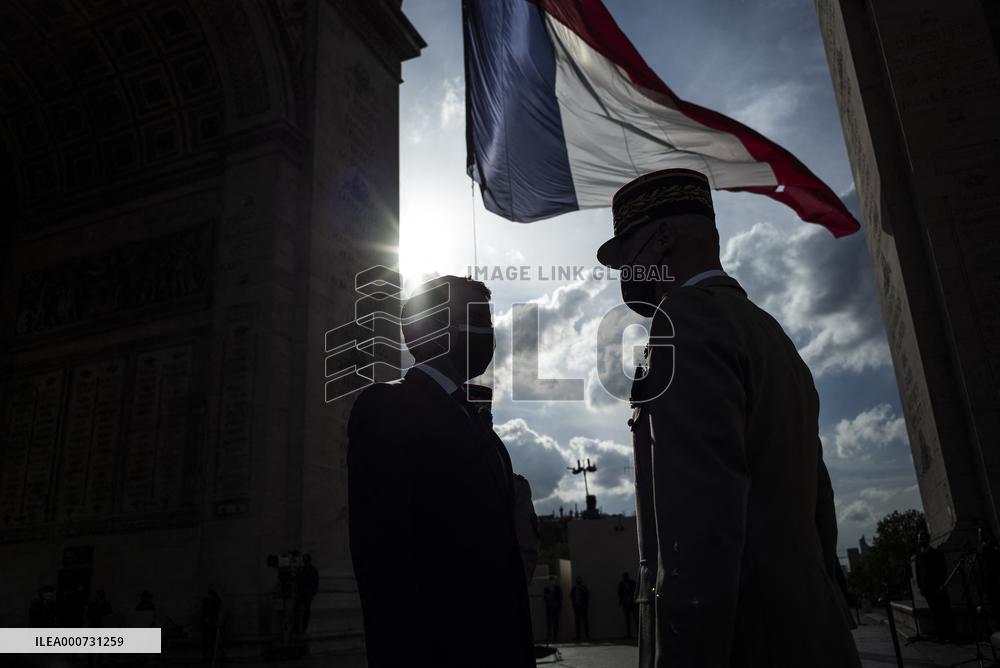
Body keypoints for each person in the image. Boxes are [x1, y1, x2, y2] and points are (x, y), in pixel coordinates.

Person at [596, 168, 861, 667]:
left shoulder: (685, 321)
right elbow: (819, 508)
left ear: (663, 237)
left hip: (743, 645)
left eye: (626, 253)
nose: (623, 272)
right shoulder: (769, 333)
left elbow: (698, 531)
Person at [348, 275, 533, 667]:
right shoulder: (388, 406)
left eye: (489, 321)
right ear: (430, 326)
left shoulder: (477, 422)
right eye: (477, 319)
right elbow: (383, 558)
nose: (488, 333)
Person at [915, 531, 955, 642]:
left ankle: (951, 635)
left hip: (938, 586)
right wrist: (920, 587)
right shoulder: (919, 555)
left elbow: (943, 570)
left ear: (928, 539)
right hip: (927, 588)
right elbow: (918, 573)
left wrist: (942, 584)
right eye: (919, 539)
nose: (921, 541)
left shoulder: (936, 553)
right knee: (934, 613)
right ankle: (940, 635)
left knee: (945, 611)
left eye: (922, 538)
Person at [294, 554, 319, 632]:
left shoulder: (312, 570)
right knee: (300, 610)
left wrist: (313, 593)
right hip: (302, 592)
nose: (305, 561)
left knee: (304, 611)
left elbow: (315, 582)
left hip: (306, 593)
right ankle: (300, 627)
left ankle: (302, 627)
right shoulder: (303, 569)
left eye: (305, 560)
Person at [201, 589, 222, 662]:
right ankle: (207, 655)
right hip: (208, 624)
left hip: (212, 623)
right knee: (206, 641)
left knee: (213, 641)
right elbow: (203, 611)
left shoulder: (215, 602)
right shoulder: (206, 602)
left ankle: (212, 655)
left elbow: (217, 611)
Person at [542, 576, 563, 643]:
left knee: (556, 622)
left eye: (553, 580)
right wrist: (549, 602)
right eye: (551, 580)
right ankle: (549, 637)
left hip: (556, 608)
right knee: (549, 623)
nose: (552, 582)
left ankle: (555, 637)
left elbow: (561, 597)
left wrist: (556, 603)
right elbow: (544, 597)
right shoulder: (546, 589)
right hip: (549, 607)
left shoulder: (558, 588)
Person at [618, 572, 637, 639]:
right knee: (628, 619)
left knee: (634, 618)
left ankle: (635, 633)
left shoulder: (631, 583)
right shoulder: (622, 584)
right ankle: (629, 633)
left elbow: (620, 593)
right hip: (627, 603)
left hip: (631, 603)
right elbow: (620, 593)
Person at [570, 576, 590, 642]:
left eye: (579, 579)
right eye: (578, 579)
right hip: (577, 606)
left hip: (583, 606)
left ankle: (587, 635)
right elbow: (571, 596)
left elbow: (587, 596)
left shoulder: (584, 587)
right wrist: (574, 603)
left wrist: (584, 604)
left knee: (585, 621)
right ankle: (578, 636)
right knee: (578, 622)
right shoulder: (574, 588)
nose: (579, 581)